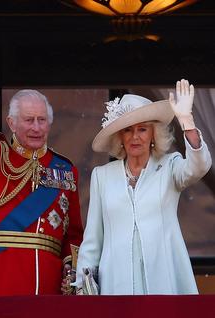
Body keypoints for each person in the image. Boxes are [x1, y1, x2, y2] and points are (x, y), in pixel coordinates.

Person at [0, 55, 84, 296]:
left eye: (42, 120)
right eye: (29, 120)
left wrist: (70, 270)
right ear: (11, 123)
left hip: (48, 283)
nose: (36, 127)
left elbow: (73, 233)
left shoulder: (65, 170)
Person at [75, 80, 212, 295]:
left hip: (163, 280)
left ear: (153, 135)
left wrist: (187, 121)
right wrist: (84, 285)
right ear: (120, 137)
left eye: (142, 129)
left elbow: (199, 167)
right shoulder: (102, 176)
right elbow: (93, 239)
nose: (135, 136)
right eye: (128, 130)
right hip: (116, 283)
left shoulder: (170, 166)